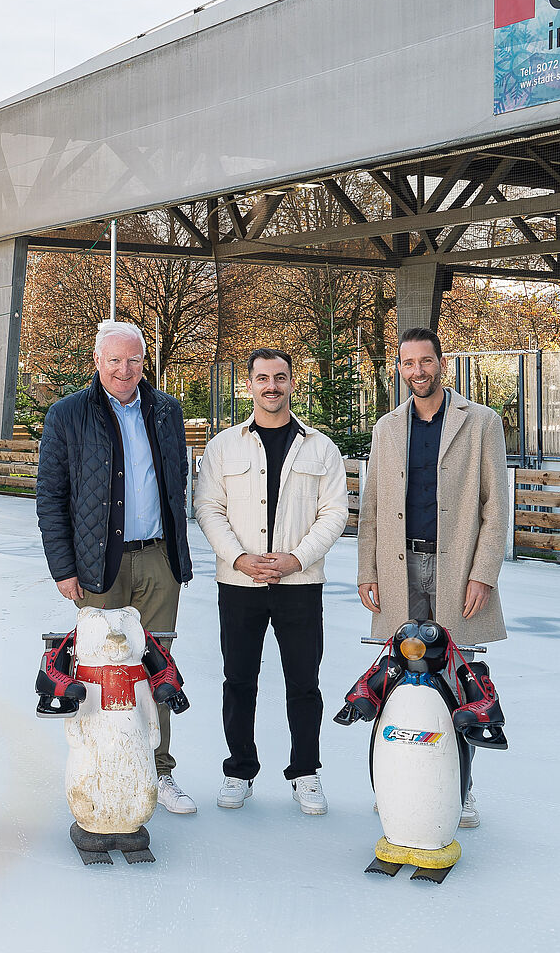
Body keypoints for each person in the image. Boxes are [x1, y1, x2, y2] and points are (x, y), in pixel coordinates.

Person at [37, 320, 196, 813]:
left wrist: (178, 555)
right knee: (100, 668)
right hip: (96, 565)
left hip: (157, 560)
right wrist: (64, 568)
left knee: (157, 666)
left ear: (143, 361)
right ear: (97, 363)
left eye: (133, 360)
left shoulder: (167, 411)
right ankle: (96, 768)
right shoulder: (67, 415)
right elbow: (51, 496)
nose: (124, 369)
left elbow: (176, 485)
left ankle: (159, 771)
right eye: (114, 361)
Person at [356, 326, 509, 828]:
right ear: (398, 368)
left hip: (455, 571)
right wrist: (367, 571)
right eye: (407, 363)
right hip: (400, 573)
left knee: (456, 683)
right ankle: (393, 786)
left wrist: (483, 572)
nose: (417, 372)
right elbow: (374, 506)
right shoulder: (386, 428)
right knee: (393, 680)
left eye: (425, 361)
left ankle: (460, 793)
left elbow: (495, 506)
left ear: (441, 363)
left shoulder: (480, 422)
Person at [195, 349, 348, 815]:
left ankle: (306, 772)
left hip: (300, 585)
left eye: (280, 377)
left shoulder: (322, 448)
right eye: (262, 378)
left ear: (292, 383)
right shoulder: (224, 446)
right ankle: (239, 770)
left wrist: (295, 559)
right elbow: (208, 508)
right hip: (238, 586)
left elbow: (334, 512)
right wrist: (240, 558)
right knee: (239, 680)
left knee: (304, 682)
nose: (271, 386)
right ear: (250, 385)